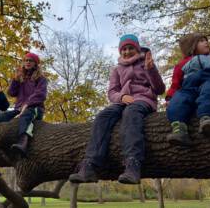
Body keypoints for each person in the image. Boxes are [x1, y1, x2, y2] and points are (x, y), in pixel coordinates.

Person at [69, 34, 165, 184]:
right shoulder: (117, 69)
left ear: (137, 48)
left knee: (131, 113)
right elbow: (112, 92)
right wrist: (121, 97)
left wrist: (151, 70)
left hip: (143, 100)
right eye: (124, 49)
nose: (127, 52)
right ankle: (90, 166)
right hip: (122, 102)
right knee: (103, 116)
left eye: (130, 48)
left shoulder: (146, 63)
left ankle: (132, 165)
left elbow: (159, 89)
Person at [0, 52, 47, 168]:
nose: (27, 62)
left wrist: (27, 104)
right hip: (19, 109)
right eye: (25, 60)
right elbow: (12, 93)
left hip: (35, 108)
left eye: (30, 60)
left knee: (26, 115)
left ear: (36, 64)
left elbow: (40, 94)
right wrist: (15, 79)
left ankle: (23, 142)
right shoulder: (21, 78)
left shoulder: (41, 79)